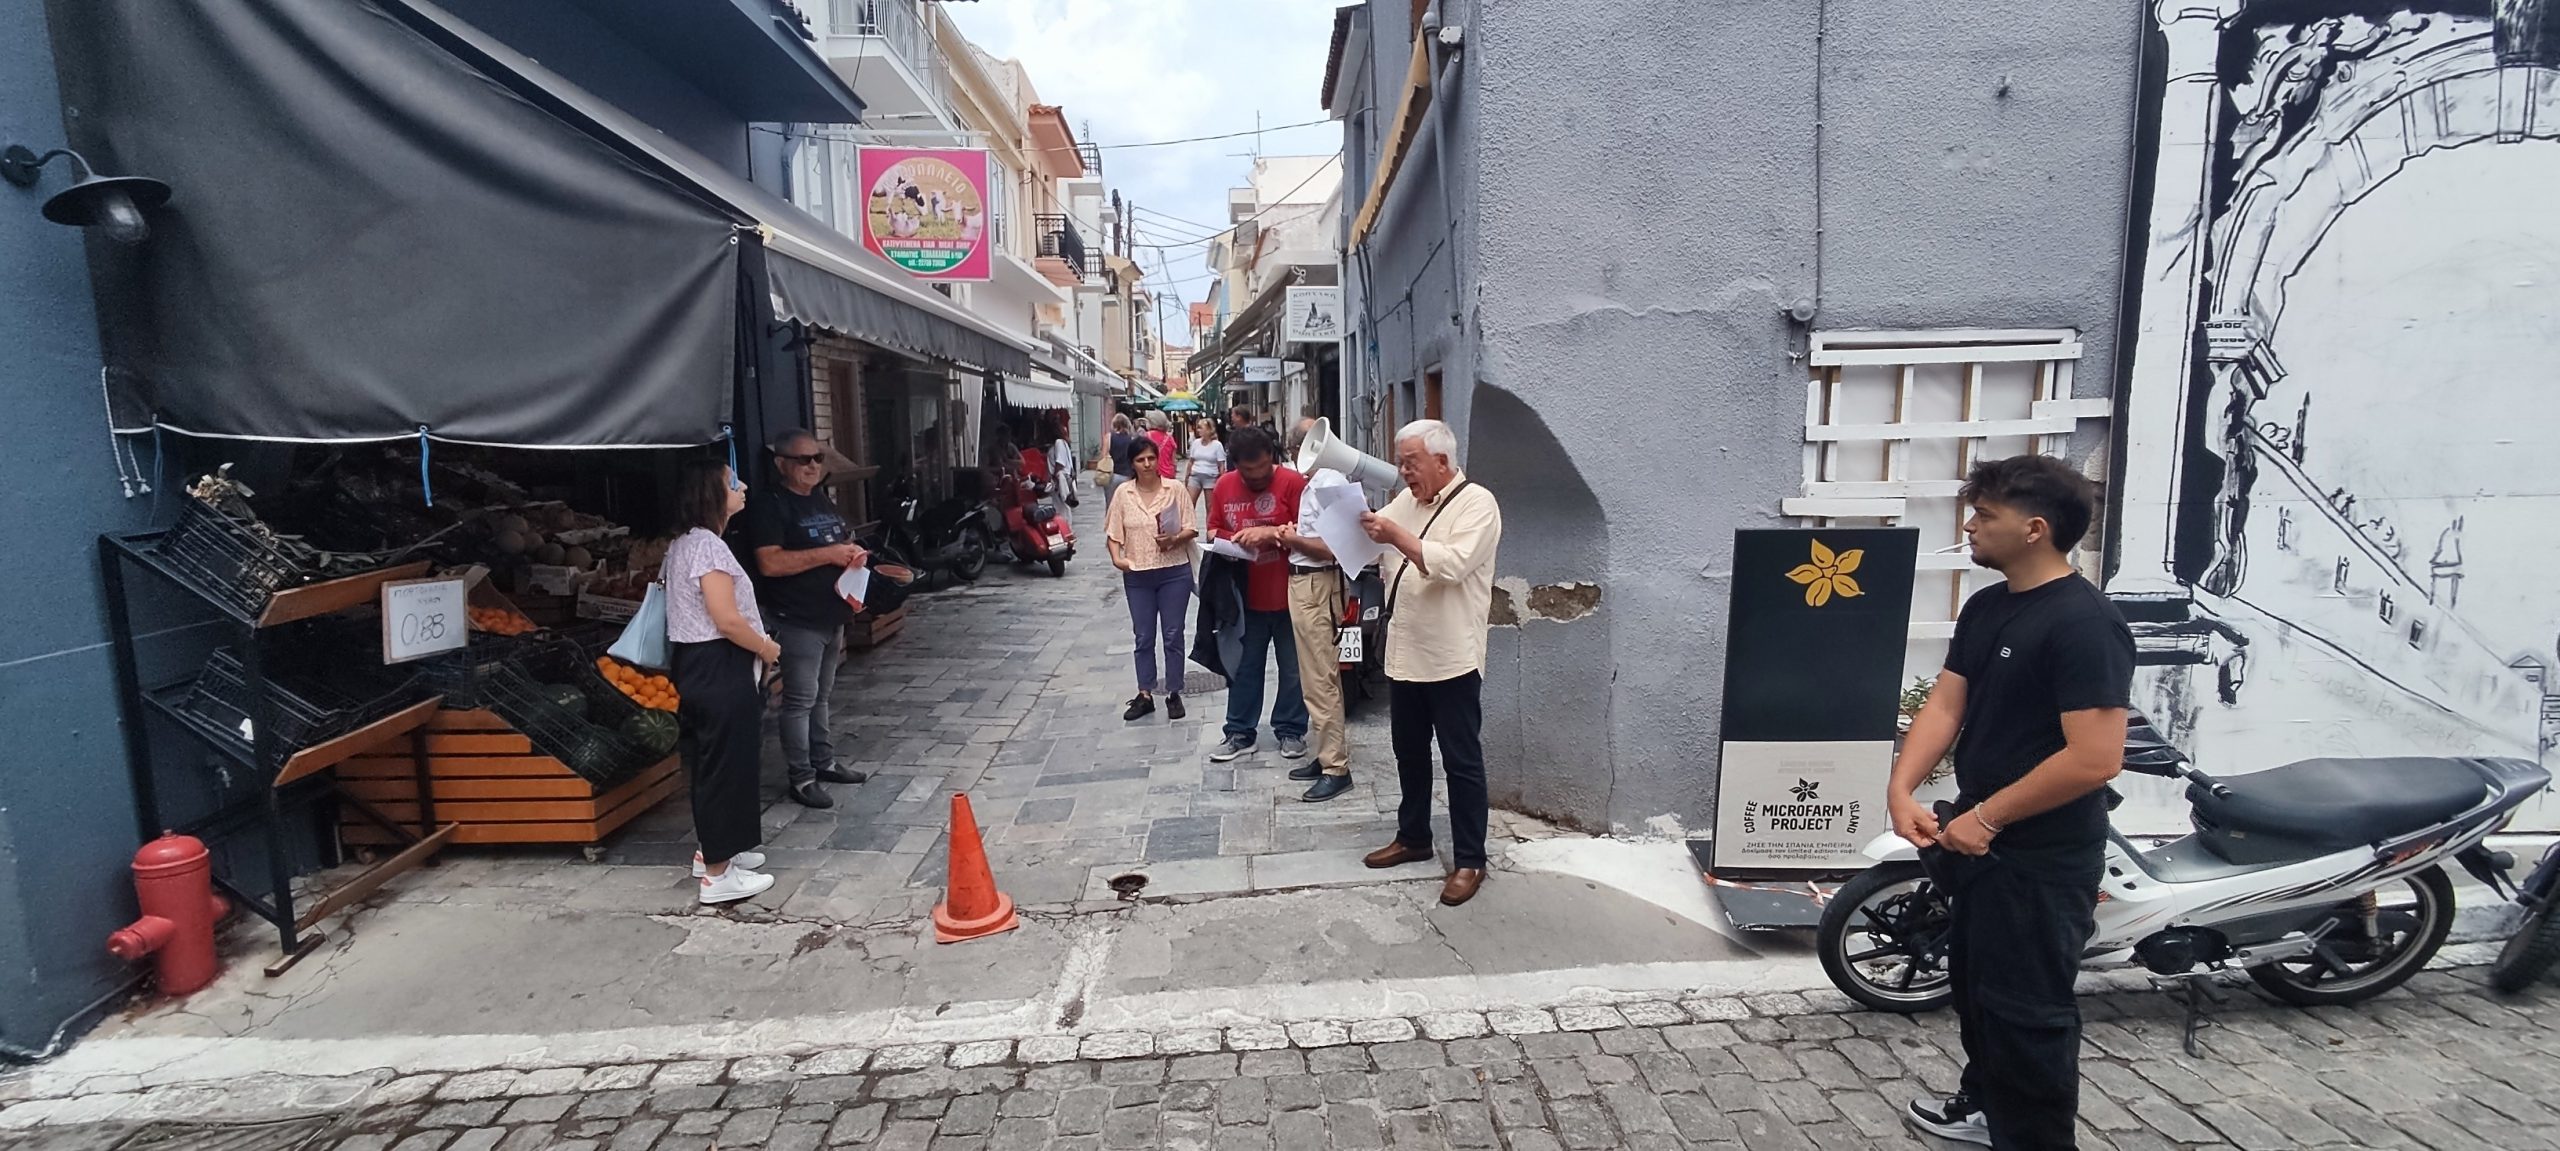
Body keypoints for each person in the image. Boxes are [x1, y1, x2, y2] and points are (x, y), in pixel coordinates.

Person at [1892, 455, 2132, 1149]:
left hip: (2041, 856)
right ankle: (1987, 1107)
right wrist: (1901, 789)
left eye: (1985, 514)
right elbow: (1947, 704)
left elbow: (2095, 757)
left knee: (2028, 1012)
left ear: (2034, 529)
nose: (1970, 525)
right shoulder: (1989, 606)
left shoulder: (2084, 623)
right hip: (1976, 840)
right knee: (1977, 991)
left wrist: (1990, 817)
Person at [1357, 420, 1503, 906]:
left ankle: (1471, 859)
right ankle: (1414, 836)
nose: (1403, 472)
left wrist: (1395, 535)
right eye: (1400, 463)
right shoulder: (1408, 502)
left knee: (1461, 762)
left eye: (1411, 463)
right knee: (1409, 753)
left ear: (1441, 461)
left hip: (1451, 657)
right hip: (1405, 654)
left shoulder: (1478, 504)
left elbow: (1452, 564)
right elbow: (1374, 539)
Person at [663, 460, 781, 905]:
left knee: (715, 761)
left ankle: (716, 851)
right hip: (718, 662)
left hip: (698, 663)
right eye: (732, 483)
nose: (743, 486)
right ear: (711, 495)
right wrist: (766, 648)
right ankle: (717, 875)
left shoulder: (685, 543)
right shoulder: (707, 547)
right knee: (725, 765)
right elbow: (727, 619)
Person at [744, 430, 870, 810]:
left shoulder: (819, 498)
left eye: (817, 458)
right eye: (803, 459)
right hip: (797, 618)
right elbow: (770, 562)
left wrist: (850, 557)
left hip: (832, 614)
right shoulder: (770, 505)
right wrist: (830, 554)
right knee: (799, 700)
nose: (813, 465)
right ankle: (801, 777)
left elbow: (833, 544)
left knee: (821, 697)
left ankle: (824, 761)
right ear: (781, 463)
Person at [1205, 426, 1311, 763]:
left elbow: (1311, 532)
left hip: (1291, 593)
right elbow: (1213, 528)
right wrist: (1233, 540)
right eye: (1249, 470)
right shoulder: (1224, 486)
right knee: (1244, 666)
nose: (1258, 475)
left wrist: (1269, 533)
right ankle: (1239, 732)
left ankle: (1291, 729)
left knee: (1293, 668)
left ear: (1273, 458)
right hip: (1244, 597)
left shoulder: (1294, 484)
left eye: (1264, 467)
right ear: (1236, 464)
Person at [1274, 466, 1356, 801]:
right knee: (1317, 678)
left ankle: (1336, 768)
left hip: (1315, 585)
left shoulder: (1330, 482)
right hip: (1307, 583)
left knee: (1320, 680)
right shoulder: (1318, 482)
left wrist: (1292, 539)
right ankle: (1327, 756)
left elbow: (1332, 547)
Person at [1105, 437, 1198, 722]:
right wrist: (1117, 558)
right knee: (1143, 635)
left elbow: (1191, 528)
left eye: (1151, 458)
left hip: (1174, 571)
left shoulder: (1175, 489)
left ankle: (1174, 691)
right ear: (1132, 464)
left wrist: (1174, 539)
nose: (1147, 464)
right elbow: (1113, 533)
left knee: (1173, 634)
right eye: (1140, 460)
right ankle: (1144, 693)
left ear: (1158, 459)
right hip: (1138, 573)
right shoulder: (1123, 493)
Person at [1185, 418, 1227, 506]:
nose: (1198, 430)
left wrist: (1221, 480)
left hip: (1210, 477)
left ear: (1208, 430)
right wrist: (1187, 476)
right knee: (1189, 503)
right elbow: (1191, 461)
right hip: (1195, 475)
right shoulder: (1196, 443)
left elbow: (1221, 465)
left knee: (1210, 505)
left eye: (1200, 428)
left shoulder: (1217, 445)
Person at [1105, 412, 1140, 503]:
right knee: (1127, 503)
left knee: (1111, 504)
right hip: (1127, 475)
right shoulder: (1132, 439)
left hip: (1112, 474)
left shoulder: (1109, 437)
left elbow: (1103, 456)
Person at [1047, 420, 1080, 508]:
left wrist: (1054, 476)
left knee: (1061, 505)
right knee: (1064, 505)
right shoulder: (1064, 443)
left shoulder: (1059, 443)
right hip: (1065, 477)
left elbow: (1060, 462)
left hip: (1061, 479)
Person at [1144, 411, 1180, 481]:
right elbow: (1174, 461)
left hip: (1152, 475)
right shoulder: (1169, 438)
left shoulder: (1146, 436)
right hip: (1168, 475)